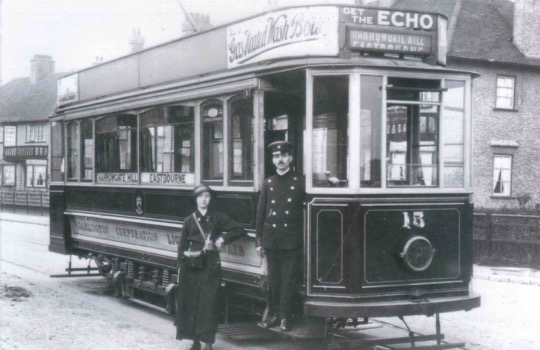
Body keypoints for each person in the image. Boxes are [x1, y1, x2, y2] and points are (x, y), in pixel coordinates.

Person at [176, 184, 245, 350]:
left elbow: (238, 230)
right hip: (191, 267)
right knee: (193, 303)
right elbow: (182, 246)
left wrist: (222, 239)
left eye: (207, 196)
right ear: (196, 199)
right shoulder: (189, 220)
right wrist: (180, 267)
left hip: (210, 266)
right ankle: (196, 342)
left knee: (208, 304)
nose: (204, 199)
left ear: (210, 199)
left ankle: (208, 343)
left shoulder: (218, 217)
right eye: (200, 196)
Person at [256, 140, 305, 332]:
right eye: (276, 157)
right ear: (273, 160)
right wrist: (259, 241)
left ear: (290, 158)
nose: (280, 160)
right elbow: (260, 213)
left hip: (291, 240)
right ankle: (273, 315)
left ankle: (285, 317)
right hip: (272, 239)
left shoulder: (300, 182)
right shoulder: (268, 183)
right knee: (274, 279)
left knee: (288, 280)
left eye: (283, 156)